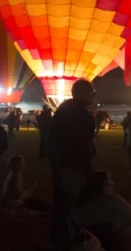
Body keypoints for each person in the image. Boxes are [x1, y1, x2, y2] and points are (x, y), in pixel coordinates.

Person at [48, 79, 98, 247]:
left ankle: (58, 240)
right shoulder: (80, 115)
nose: (93, 94)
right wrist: (87, 166)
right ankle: (71, 242)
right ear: (79, 93)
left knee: (62, 205)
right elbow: (82, 145)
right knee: (73, 207)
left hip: (61, 165)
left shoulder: (64, 110)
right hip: (74, 166)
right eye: (91, 91)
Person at [71, 170, 131, 250]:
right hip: (115, 244)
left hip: (93, 246)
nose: (113, 186)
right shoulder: (113, 201)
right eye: (110, 184)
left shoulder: (78, 205)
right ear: (105, 187)